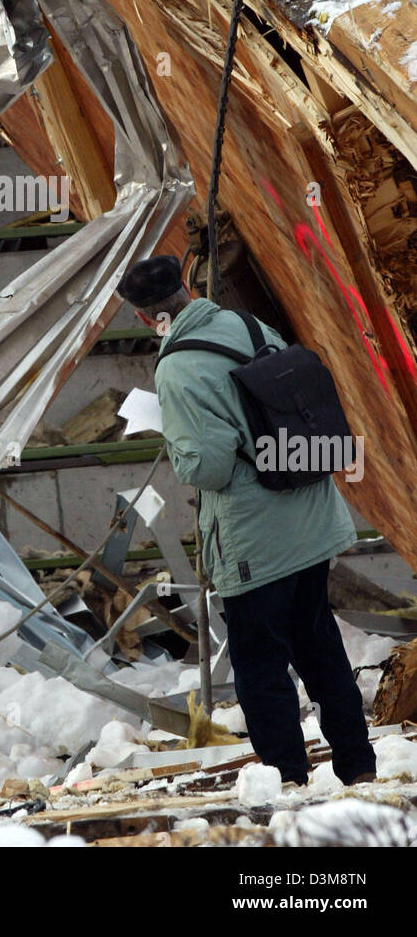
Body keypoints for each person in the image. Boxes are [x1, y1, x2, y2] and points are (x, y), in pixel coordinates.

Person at [116, 254, 376, 787]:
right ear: (187, 287)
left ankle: (285, 780)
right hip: (310, 515)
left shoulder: (177, 368)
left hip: (256, 540)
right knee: (319, 646)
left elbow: (207, 467)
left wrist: (171, 434)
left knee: (259, 668)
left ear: (144, 317)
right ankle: (359, 765)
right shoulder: (250, 325)